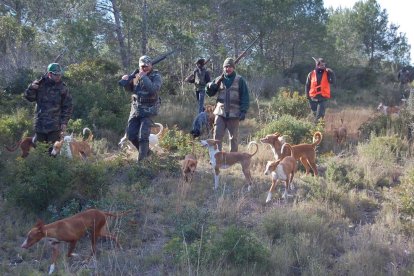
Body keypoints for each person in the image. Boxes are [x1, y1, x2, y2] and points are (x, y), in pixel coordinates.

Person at [118, 55, 162, 161]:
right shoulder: (136, 75)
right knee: (131, 135)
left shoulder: (156, 76)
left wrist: (144, 77)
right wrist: (127, 80)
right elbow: (131, 89)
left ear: (151, 65)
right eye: (142, 66)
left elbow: (153, 89)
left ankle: (141, 163)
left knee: (143, 136)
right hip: (136, 108)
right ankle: (147, 153)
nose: (145, 68)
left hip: (149, 109)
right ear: (139, 66)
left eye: (147, 66)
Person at [24, 63, 73, 152]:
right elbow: (29, 98)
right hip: (40, 125)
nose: (58, 76)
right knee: (40, 152)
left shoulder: (63, 88)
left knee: (53, 153)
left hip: (54, 126)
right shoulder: (40, 84)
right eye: (56, 74)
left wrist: (64, 122)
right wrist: (31, 88)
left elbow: (67, 106)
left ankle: (53, 166)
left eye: (59, 74)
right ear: (49, 74)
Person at [206, 57, 249, 152]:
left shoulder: (240, 80)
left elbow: (245, 96)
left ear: (233, 68)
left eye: (229, 67)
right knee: (217, 136)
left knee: (233, 138)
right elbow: (210, 93)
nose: (227, 69)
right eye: (225, 67)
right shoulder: (219, 79)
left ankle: (232, 159)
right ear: (223, 68)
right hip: (220, 113)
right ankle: (217, 158)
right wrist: (209, 87)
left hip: (234, 114)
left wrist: (243, 111)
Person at [305, 58, 334, 122]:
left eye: (324, 65)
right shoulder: (311, 74)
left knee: (319, 117)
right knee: (314, 116)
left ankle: (317, 130)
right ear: (317, 65)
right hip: (312, 99)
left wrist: (332, 73)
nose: (323, 67)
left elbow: (332, 81)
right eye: (321, 65)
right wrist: (307, 97)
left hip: (323, 98)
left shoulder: (327, 73)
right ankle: (316, 130)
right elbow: (307, 85)